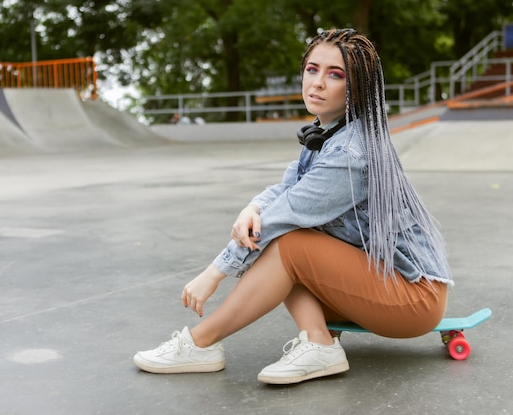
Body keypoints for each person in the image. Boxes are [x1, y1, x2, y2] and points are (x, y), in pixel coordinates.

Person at [133, 28, 452, 385]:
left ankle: (200, 342)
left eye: (335, 74)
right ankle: (318, 342)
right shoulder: (328, 133)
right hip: (377, 282)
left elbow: (285, 215)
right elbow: (284, 191)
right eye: (312, 69)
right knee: (287, 238)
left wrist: (213, 274)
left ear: (356, 88)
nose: (316, 82)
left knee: (289, 242)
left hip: (410, 299)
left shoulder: (350, 154)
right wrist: (251, 208)